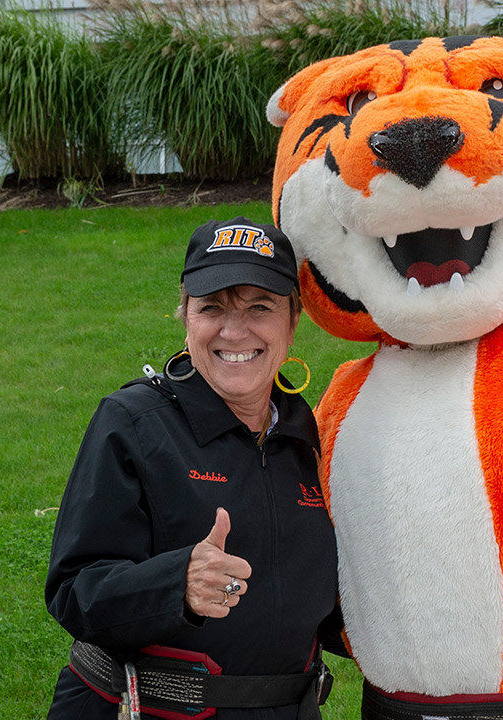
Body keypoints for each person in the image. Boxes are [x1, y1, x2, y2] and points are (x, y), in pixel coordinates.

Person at [45, 217, 340, 720]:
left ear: (293, 322)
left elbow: (324, 600)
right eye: (212, 308)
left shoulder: (308, 434)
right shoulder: (133, 423)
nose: (234, 330)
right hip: (142, 709)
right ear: (185, 316)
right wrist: (175, 584)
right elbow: (75, 590)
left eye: (259, 307)